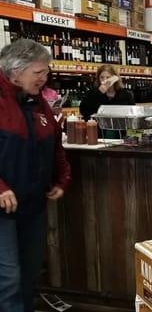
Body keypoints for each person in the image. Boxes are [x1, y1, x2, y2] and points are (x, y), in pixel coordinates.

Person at [0, 39, 71, 312]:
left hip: (32, 204)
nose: (45, 78)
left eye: (46, 72)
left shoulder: (38, 101)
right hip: (2, 207)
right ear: (15, 71)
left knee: (29, 273)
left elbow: (54, 146)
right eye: (38, 72)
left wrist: (61, 179)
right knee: (8, 278)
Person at [79, 65, 134, 138]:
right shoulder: (92, 93)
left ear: (114, 78)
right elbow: (84, 111)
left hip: (121, 135)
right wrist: (99, 93)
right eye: (102, 77)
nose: (105, 80)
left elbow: (132, 113)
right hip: (98, 135)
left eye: (108, 77)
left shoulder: (125, 94)